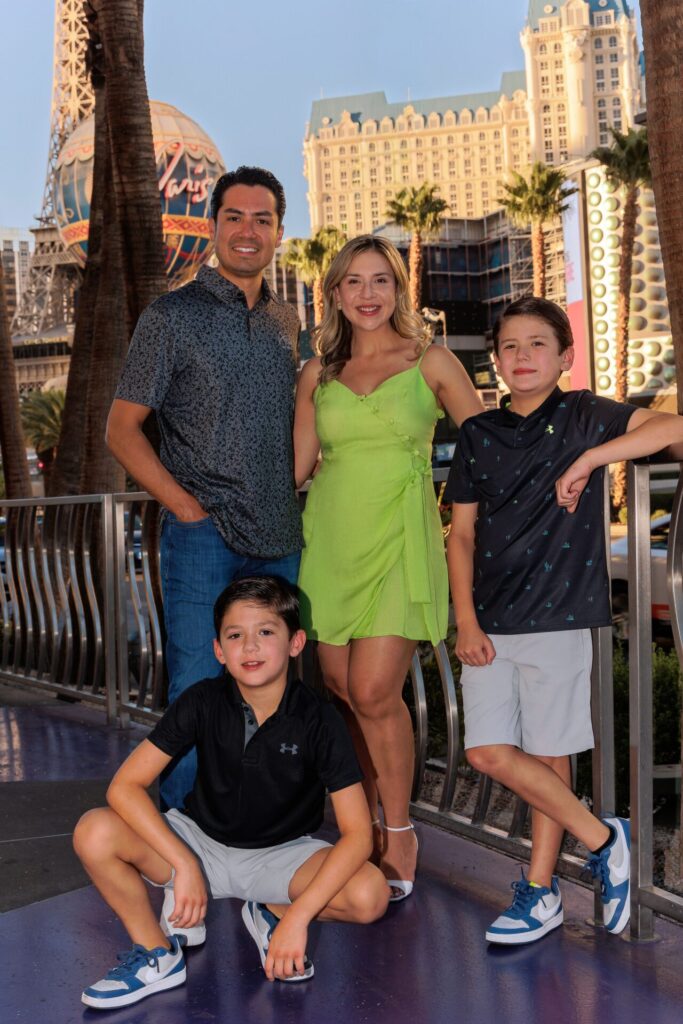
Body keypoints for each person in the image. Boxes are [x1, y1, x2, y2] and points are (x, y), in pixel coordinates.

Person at [446, 295, 683, 945]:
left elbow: (672, 430)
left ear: (564, 357)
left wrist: (590, 459)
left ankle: (540, 892)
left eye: (536, 345)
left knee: (550, 761)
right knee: (487, 751)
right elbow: (460, 535)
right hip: (489, 621)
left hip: (558, 617)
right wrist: (464, 621)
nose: (521, 357)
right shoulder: (476, 435)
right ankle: (606, 839)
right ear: (495, 361)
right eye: (509, 347)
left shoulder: (582, 415)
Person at [74, 575, 389, 1010]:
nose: (251, 647)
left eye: (266, 632)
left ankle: (272, 912)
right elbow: (124, 787)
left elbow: (358, 835)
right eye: (235, 635)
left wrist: (298, 918)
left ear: (296, 643)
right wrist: (184, 863)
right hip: (198, 843)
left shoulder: (320, 720)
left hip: (282, 855)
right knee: (94, 831)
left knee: (370, 894)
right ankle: (157, 954)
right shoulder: (202, 700)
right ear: (219, 650)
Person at [106, 166, 303, 810]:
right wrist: (184, 507)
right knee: (196, 689)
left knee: (275, 689)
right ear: (214, 227)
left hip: (280, 539)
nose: (249, 231)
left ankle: (260, 821)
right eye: (235, 218)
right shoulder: (170, 317)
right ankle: (183, 837)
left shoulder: (285, 323)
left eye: (263, 219)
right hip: (203, 539)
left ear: (279, 231)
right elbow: (122, 429)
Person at [294, 235, 482, 901]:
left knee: (375, 690)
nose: (367, 294)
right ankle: (362, 826)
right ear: (335, 295)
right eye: (353, 282)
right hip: (330, 542)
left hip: (401, 537)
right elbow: (294, 469)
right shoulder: (317, 373)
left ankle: (399, 829)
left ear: (397, 290)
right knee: (344, 690)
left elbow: (482, 448)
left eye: (380, 280)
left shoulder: (429, 360)